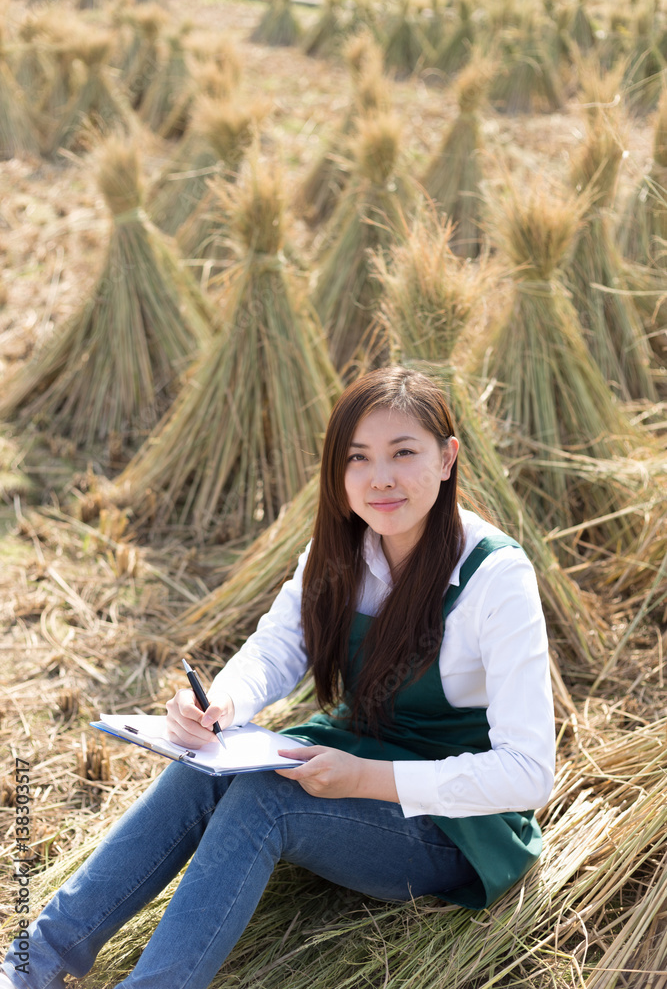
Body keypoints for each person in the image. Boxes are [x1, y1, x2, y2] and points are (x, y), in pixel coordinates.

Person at [2, 366, 556, 989]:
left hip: (453, 823)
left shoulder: (496, 577)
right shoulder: (343, 548)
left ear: (448, 458)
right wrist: (220, 705)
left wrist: (366, 778)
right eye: (358, 458)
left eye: (404, 453)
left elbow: (528, 772)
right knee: (204, 766)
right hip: (350, 756)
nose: (380, 479)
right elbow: (276, 648)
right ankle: (32, 963)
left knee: (264, 800)